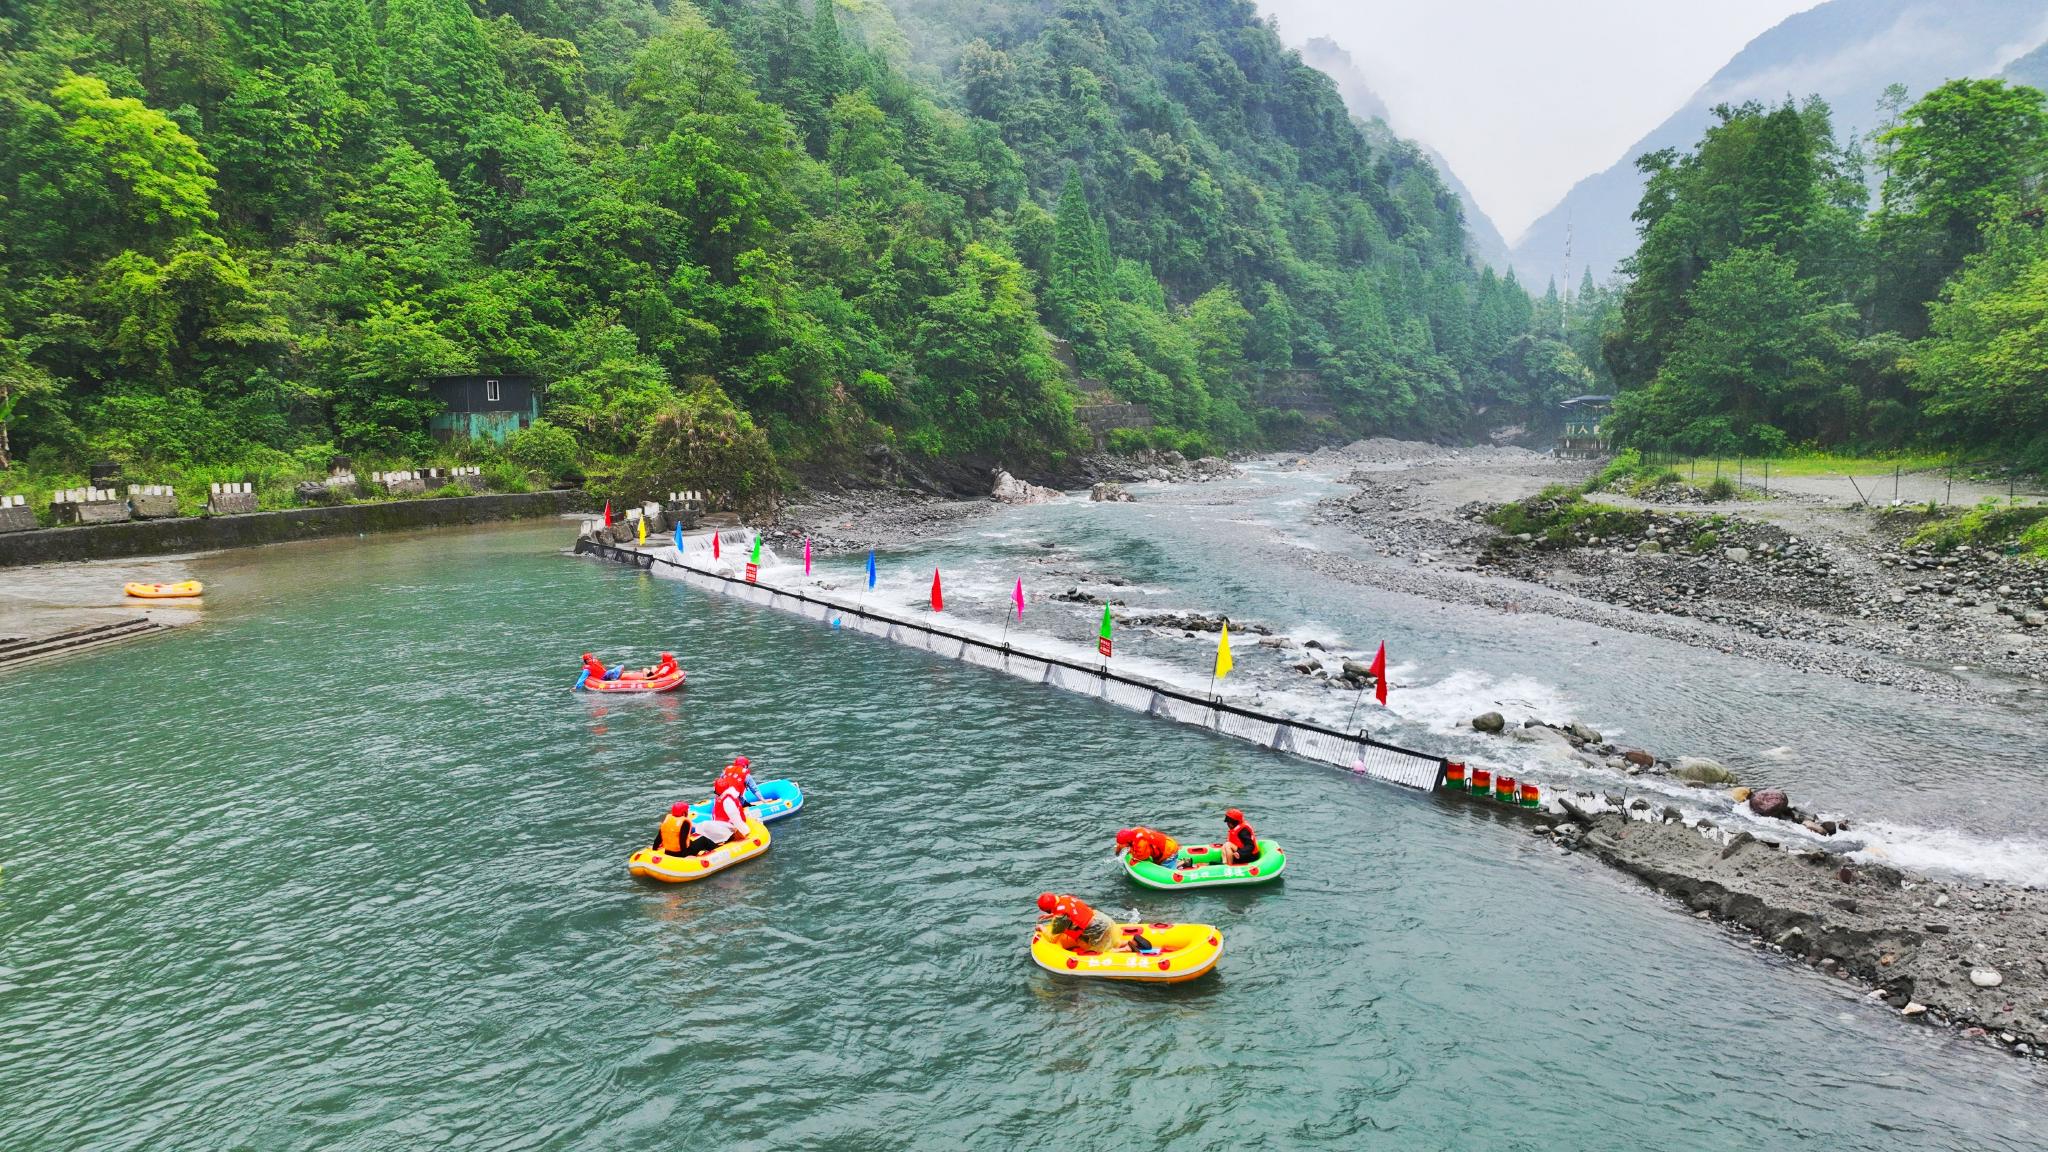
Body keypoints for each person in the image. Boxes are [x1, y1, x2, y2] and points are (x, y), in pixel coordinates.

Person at [653, 802, 719, 858]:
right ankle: (719, 849)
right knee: (703, 840)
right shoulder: (684, 823)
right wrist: (685, 856)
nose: (688, 812)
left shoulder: (667, 820)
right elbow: (682, 841)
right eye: (687, 811)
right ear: (683, 813)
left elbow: (659, 838)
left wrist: (654, 849)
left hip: (668, 852)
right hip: (681, 853)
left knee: (690, 840)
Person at [1115, 826, 1181, 868]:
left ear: (1128, 841)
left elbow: (1143, 856)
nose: (1121, 845)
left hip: (1168, 851)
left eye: (1123, 844)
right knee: (1158, 863)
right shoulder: (1133, 832)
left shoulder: (1141, 843)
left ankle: (1184, 863)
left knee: (1166, 869)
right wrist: (1117, 852)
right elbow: (1120, 845)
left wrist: (1131, 851)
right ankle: (1180, 862)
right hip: (1164, 844)